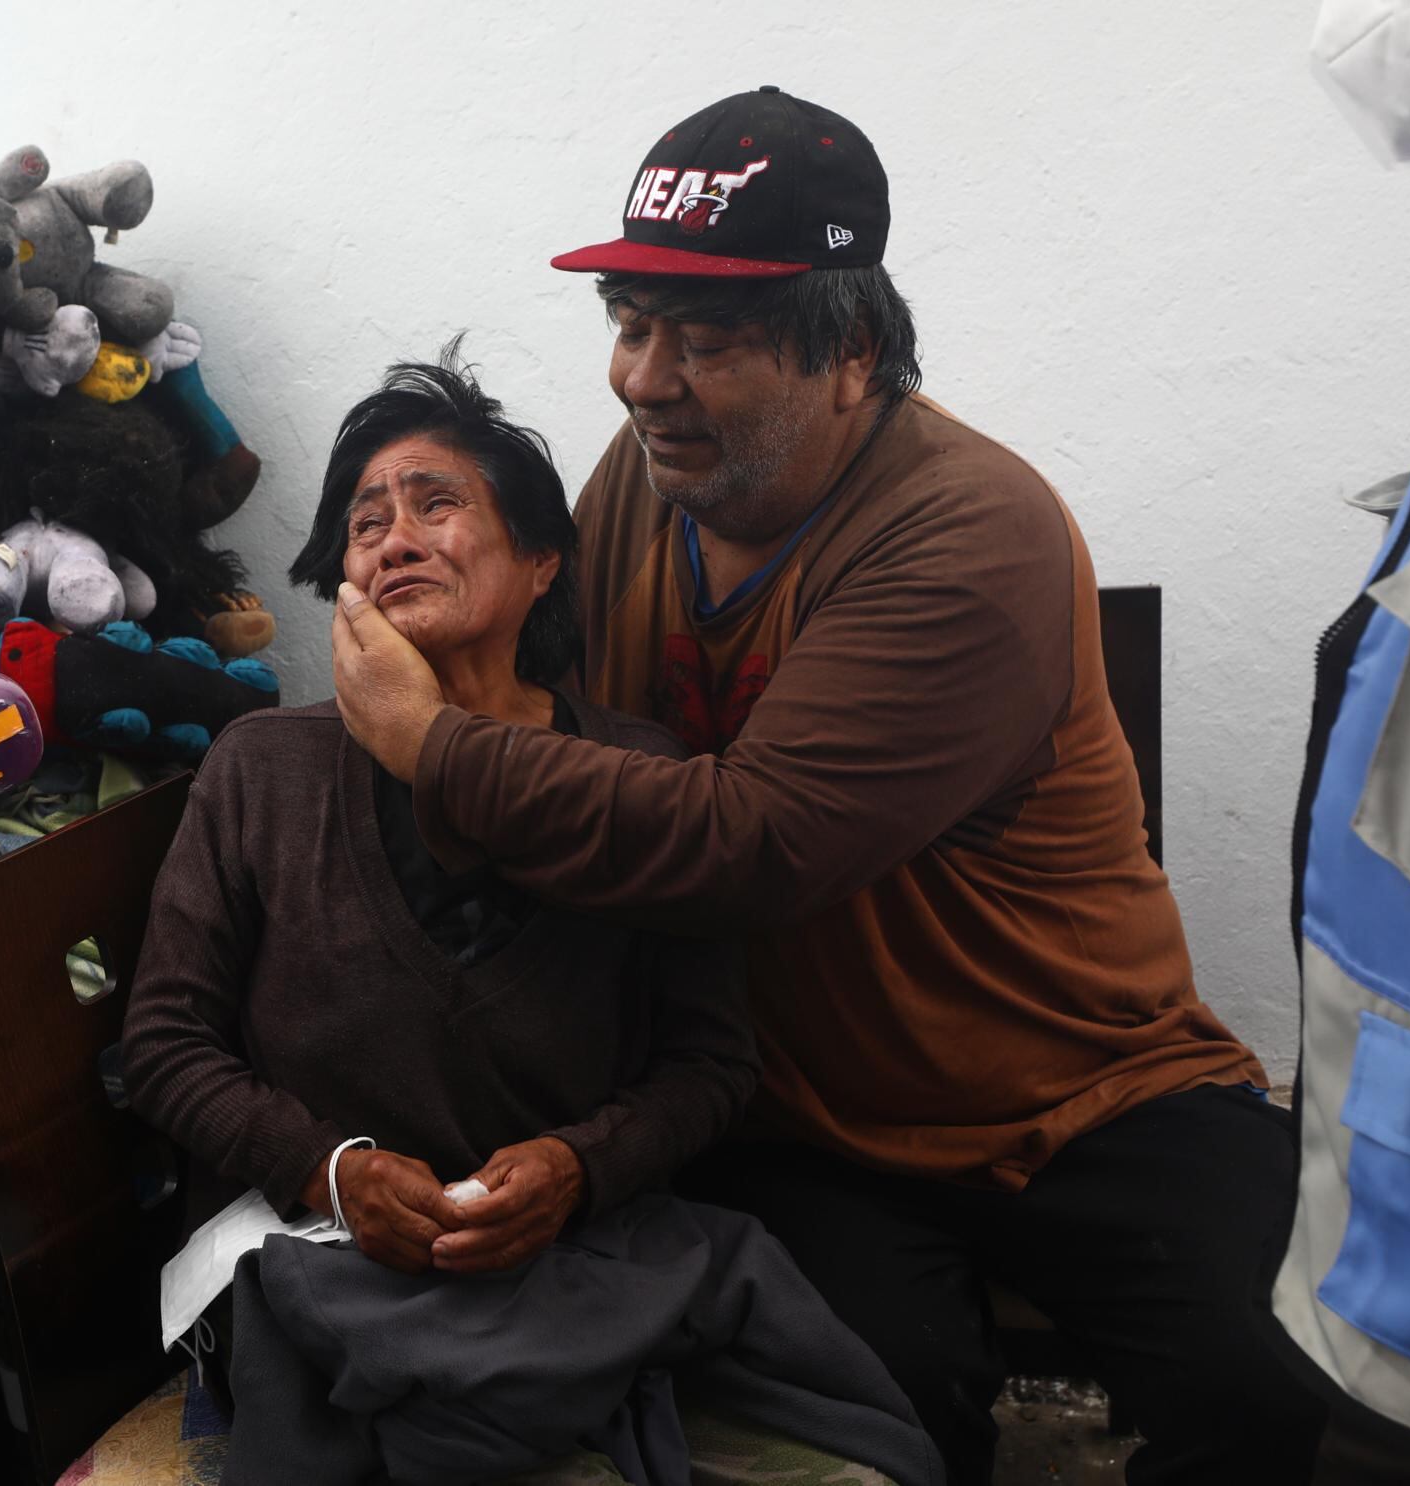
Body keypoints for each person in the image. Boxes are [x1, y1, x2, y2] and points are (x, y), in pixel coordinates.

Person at [330, 89, 1328, 1483]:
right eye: (629, 324)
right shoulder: (642, 480)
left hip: (1085, 1094)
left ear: (850, 349)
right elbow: (559, 712)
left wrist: (425, 740)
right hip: (794, 1117)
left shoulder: (970, 529)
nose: (642, 379)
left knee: (1285, 1380)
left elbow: (751, 843)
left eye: (708, 341)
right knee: (858, 1402)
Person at [120, 350, 942, 1485]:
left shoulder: (635, 775)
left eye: (436, 503)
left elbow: (708, 1062)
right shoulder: (264, 769)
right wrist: (331, 1168)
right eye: (365, 523)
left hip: (583, 1251)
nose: (394, 538)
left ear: (543, 562)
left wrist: (575, 1166)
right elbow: (163, 1043)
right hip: (320, 1257)